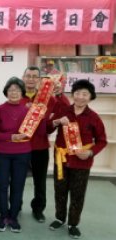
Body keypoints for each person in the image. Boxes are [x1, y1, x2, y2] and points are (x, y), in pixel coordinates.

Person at [48, 80, 107, 239]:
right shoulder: (63, 110)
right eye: (77, 93)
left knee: (78, 193)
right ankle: (60, 218)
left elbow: (102, 141)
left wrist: (89, 153)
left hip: (82, 161)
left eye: (85, 94)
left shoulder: (94, 117)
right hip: (62, 159)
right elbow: (48, 128)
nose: (80, 97)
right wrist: (57, 121)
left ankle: (73, 224)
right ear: (72, 94)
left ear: (90, 97)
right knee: (59, 190)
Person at [0, 77, 31, 233]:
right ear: (6, 92)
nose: (14, 92)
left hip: (22, 153)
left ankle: (13, 217)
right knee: (1, 185)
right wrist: (11, 137)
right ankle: (2, 216)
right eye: (11, 89)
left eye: (17, 90)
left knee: (18, 185)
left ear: (22, 92)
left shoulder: (28, 111)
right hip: (2, 152)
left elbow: (32, 132)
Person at [21, 66, 55, 222]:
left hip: (40, 145)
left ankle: (38, 209)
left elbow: (63, 109)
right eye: (28, 76)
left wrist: (60, 93)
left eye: (35, 76)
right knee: (17, 179)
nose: (31, 79)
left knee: (40, 181)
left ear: (40, 80)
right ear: (23, 77)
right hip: (19, 146)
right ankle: (15, 206)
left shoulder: (48, 98)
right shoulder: (16, 96)